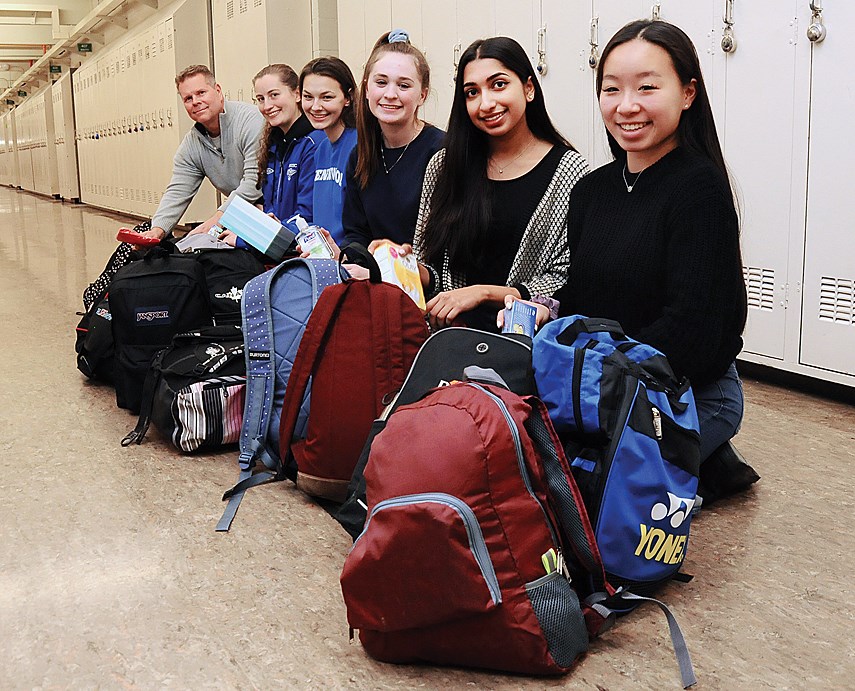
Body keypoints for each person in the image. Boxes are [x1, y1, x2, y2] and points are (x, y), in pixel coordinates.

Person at [504, 20, 750, 477]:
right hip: (607, 381)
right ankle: (699, 465)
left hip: (690, 392)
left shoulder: (699, 190)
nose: (627, 106)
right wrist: (547, 311)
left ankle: (704, 463)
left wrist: (600, 384)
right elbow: (584, 295)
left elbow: (692, 331)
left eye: (647, 88)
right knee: (513, 456)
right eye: (612, 89)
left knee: (579, 489)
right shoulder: (593, 190)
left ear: (688, 93)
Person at [410, 36, 588, 332]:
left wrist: (483, 293)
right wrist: (398, 264)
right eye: (472, 92)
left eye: (499, 85)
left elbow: (566, 279)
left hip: (523, 346)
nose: (486, 103)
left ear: (529, 88)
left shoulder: (569, 171)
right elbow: (431, 267)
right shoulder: (444, 166)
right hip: (448, 341)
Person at [342, 29, 444, 248]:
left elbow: (444, 246)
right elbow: (356, 234)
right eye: (381, 83)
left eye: (404, 85)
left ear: (422, 95)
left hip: (422, 277)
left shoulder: (441, 153)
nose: (390, 94)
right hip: (374, 274)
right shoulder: (359, 155)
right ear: (367, 89)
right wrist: (346, 255)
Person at [143, 65, 264, 241]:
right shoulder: (192, 145)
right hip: (237, 215)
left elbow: (254, 183)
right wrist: (157, 230)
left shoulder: (250, 121)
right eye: (188, 98)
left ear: (218, 91)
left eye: (201, 93)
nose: (195, 101)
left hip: (270, 213)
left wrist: (218, 218)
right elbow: (178, 190)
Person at [300, 57, 358, 246]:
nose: (315, 107)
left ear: (347, 98)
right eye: (308, 97)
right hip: (323, 257)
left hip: (350, 262)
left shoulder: (359, 146)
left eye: (327, 97)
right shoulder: (321, 149)